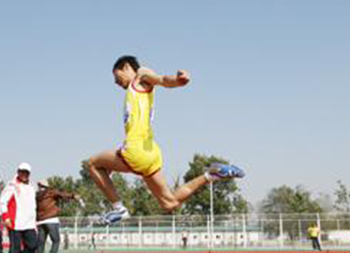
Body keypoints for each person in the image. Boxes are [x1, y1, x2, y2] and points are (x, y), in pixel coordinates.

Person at [88, 56, 245, 225]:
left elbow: (162, 80)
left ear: (126, 67)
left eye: (116, 76)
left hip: (136, 150)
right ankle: (211, 175)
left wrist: (177, 81)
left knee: (93, 164)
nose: (116, 82)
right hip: (151, 152)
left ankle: (119, 209)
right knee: (169, 203)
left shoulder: (141, 75)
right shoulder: (138, 89)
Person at [0, 163, 38, 253]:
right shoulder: (12, 185)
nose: (24, 174)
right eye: (22, 172)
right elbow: (2, 202)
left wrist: (35, 221)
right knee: (15, 248)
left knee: (33, 245)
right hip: (15, 222)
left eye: (26, 172)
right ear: (18, 172)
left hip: (29, 223)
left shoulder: (31, 187)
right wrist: (6, 218)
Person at [35, 179, 77, 253]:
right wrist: (73, 196)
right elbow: (63, 195)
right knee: (56, 241)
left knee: (41, 244)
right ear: (47, 186)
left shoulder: (36, 195)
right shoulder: (51, 192)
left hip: (40, 221)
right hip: (51, 220)